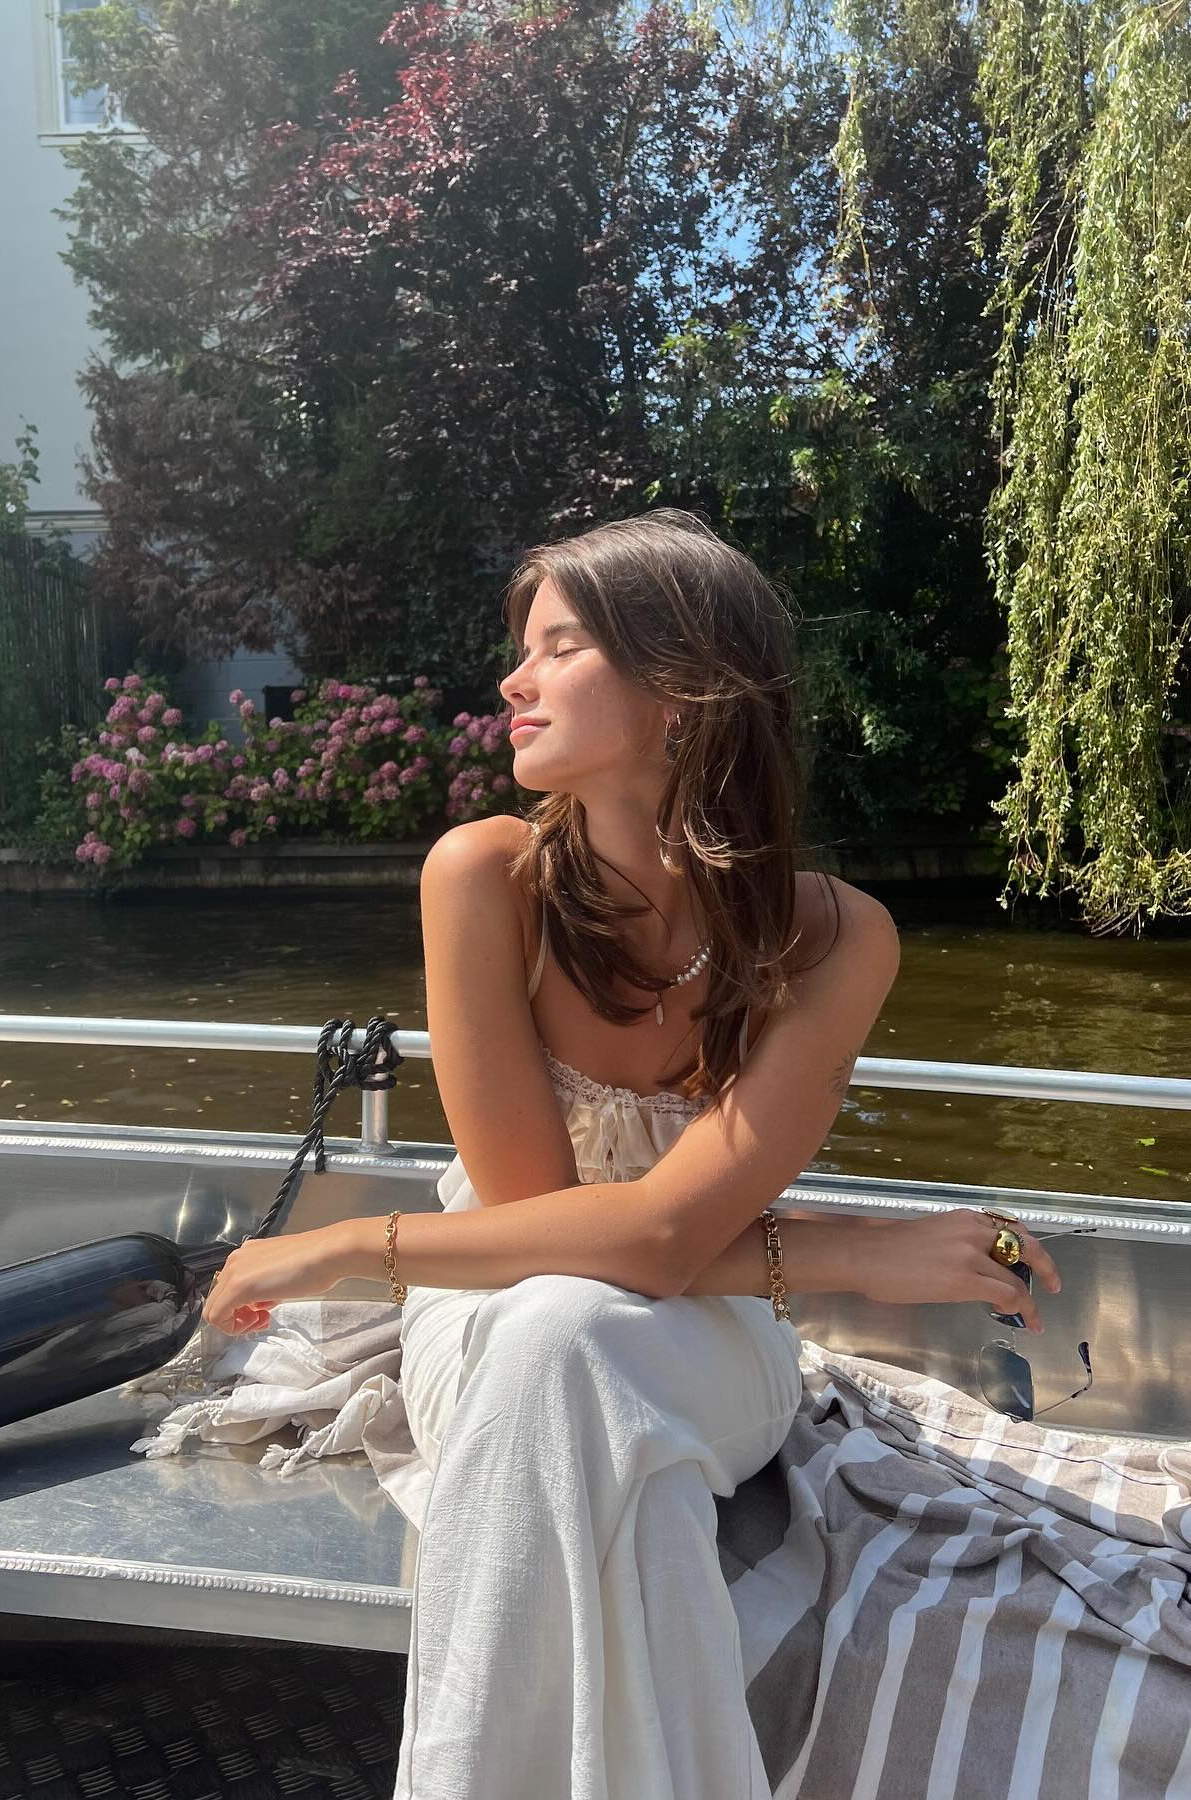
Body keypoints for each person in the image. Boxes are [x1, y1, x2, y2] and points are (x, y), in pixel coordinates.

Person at [203, 508, 1061, 1798]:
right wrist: (856, 1257)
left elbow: (653, 1246)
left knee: (569, 1345)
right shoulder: (482, 878)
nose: (513, 681)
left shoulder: (837, 938)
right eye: (523, 649)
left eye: (559, 648)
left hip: (701, 1330)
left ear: (683, 687)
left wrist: (343, 1246)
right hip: (491, 1297)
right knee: (562, 1346)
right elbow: (545, 1233)